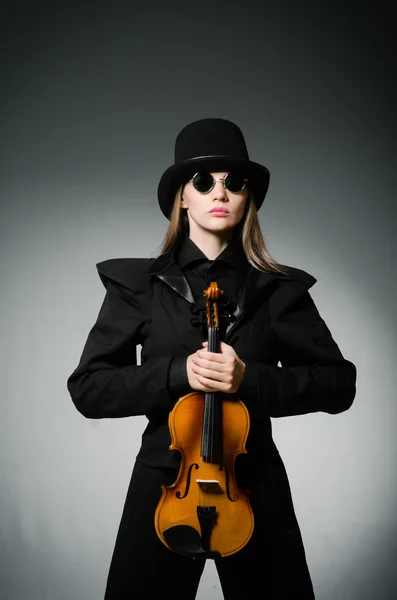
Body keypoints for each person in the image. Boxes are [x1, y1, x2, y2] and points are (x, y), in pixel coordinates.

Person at [67, 117, 357, 599]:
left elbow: (338, 383)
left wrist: (250, 378)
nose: (219, 193)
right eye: (204, 182)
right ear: (183, 196)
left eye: (234, 183)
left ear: (248, 198)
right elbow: (89, 388)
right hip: (166, 483)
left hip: (253, 485)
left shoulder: (277, 291)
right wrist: (177, 373)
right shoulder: (138, 287)